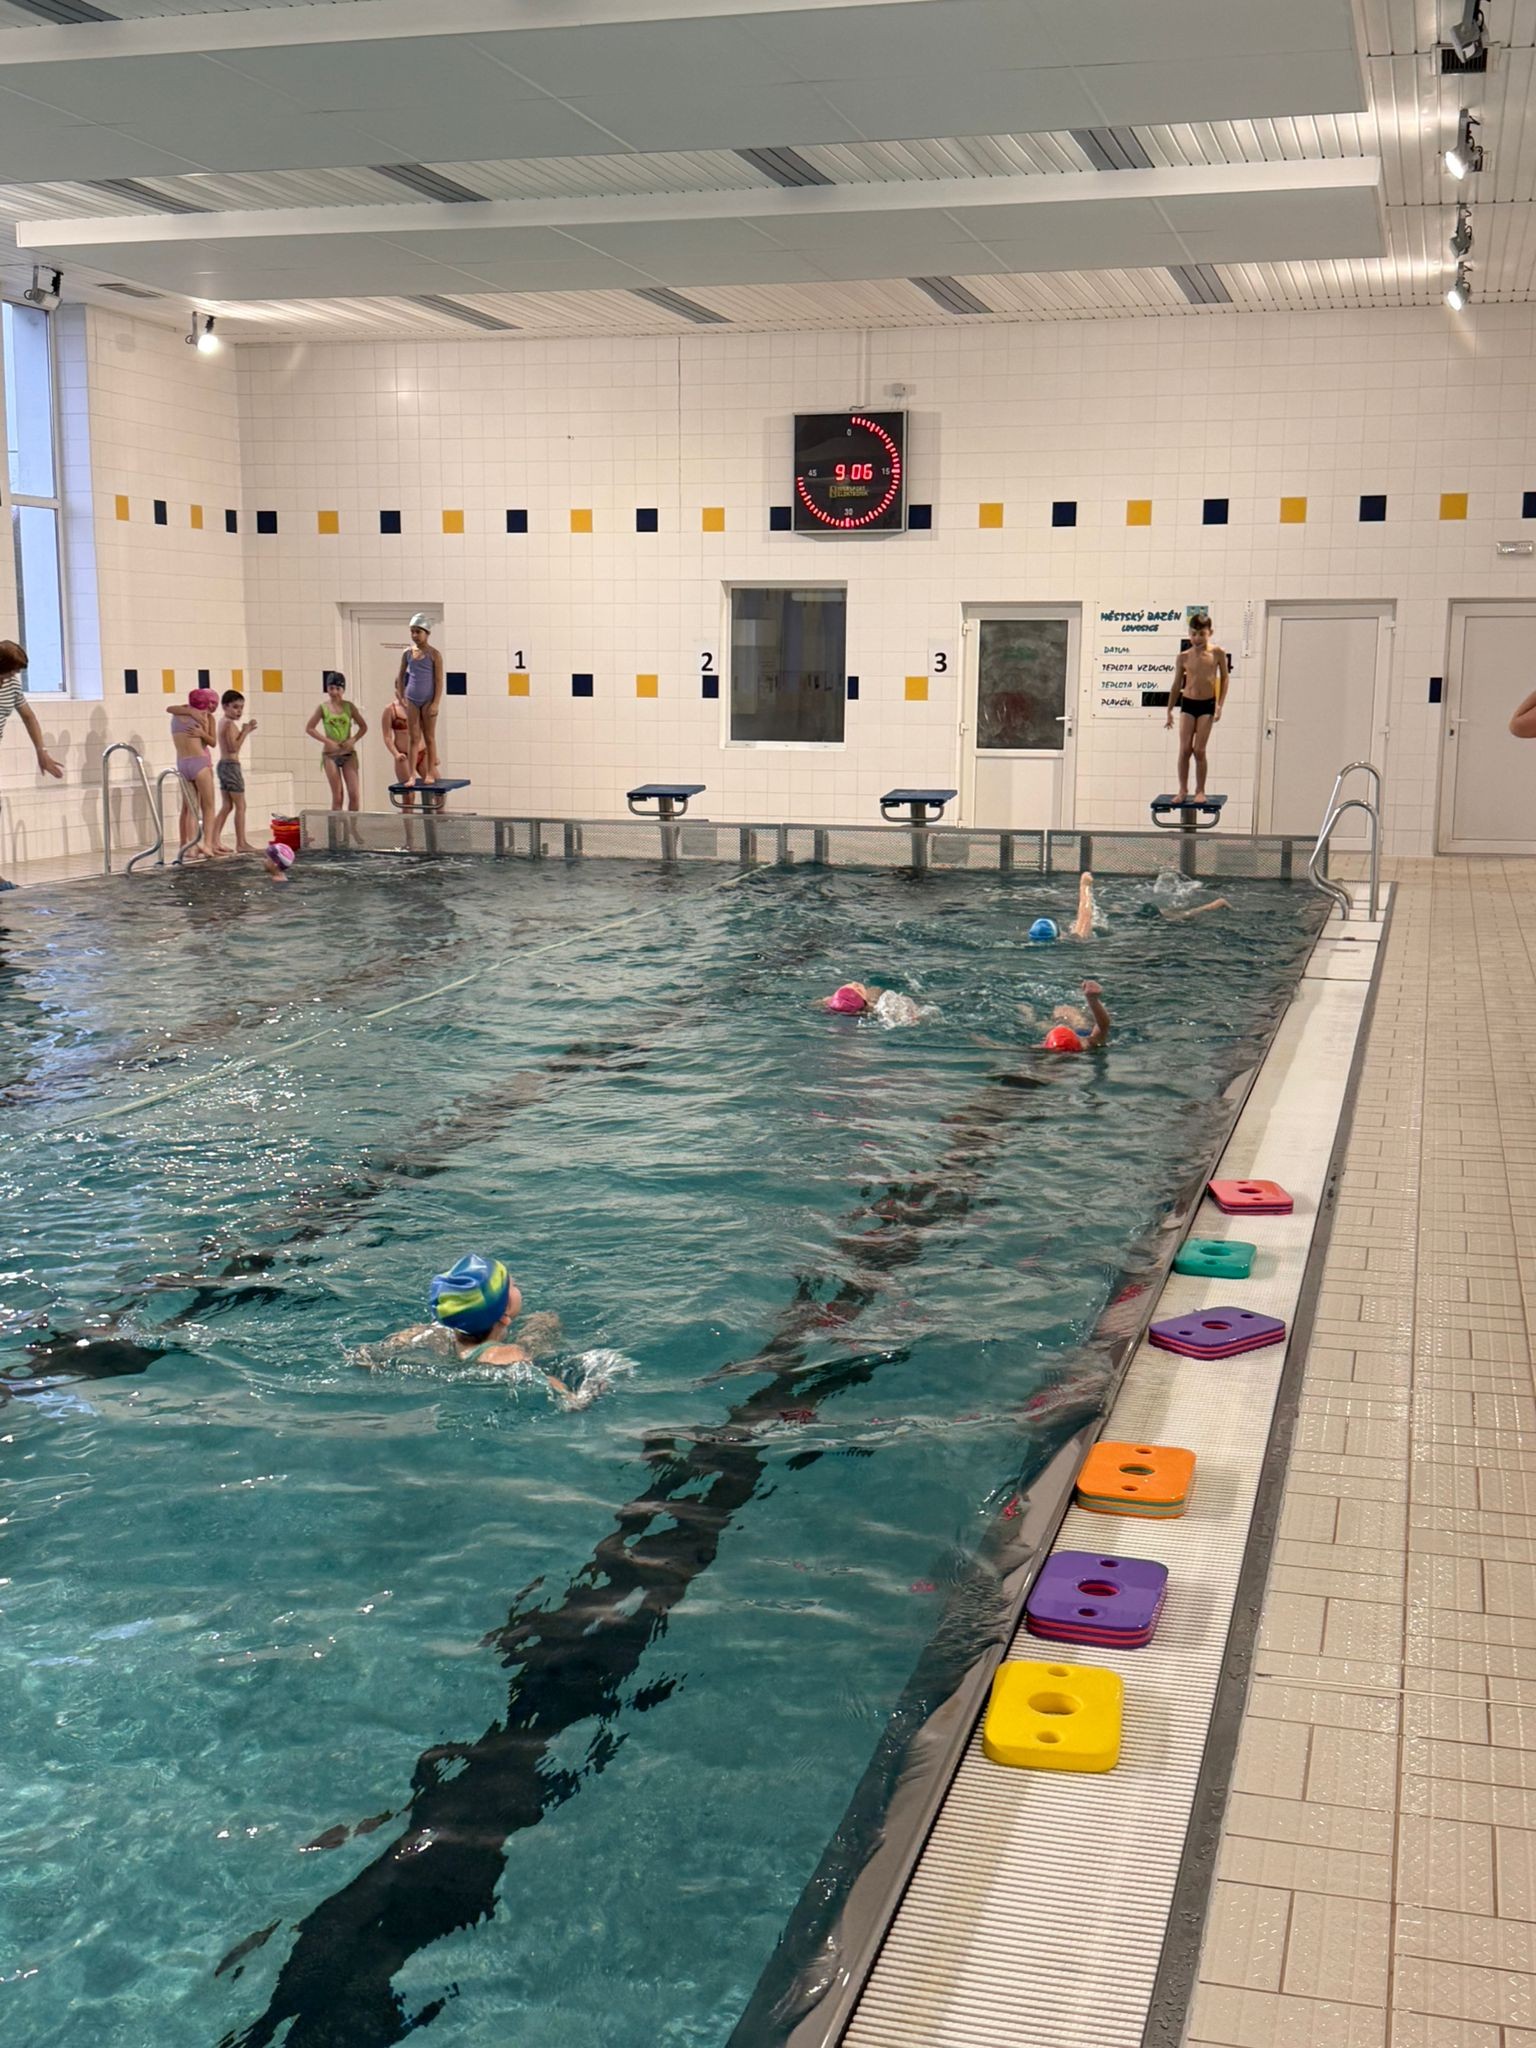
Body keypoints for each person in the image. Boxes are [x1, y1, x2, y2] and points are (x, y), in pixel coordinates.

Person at [371, 1252, 583, 1405]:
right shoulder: (506, 1354)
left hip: (460, 1355)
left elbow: (378, 1352)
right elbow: (543, 1381)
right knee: (546, 1323)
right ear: (504, 1315)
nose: (517, 1286)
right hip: (485, 1369)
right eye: (513, 1286)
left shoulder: (435, 1332)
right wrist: (573, 1398)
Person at [0, 639, 62, 890]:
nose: (13, 676)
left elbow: (28, 717)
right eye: (10, 671)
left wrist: (41, 752)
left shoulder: (12, 684)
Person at [1165, 612, 1230, 800]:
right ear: (1189, 633)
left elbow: (1225, 678)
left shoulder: (1217, 653)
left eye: (1202, 634)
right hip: (1188, 703)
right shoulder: (1183, 657)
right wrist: (1169, 710)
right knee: (1185, 749)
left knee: (1199, 750)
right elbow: (1177, 684)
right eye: (1193, 634)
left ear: (1210, 633)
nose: (1197, 638)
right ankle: (1182, 790)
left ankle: (1200, 790)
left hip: (1207, 705)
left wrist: (1219, 705)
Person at [166, 686, 221, 861]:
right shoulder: (206, 717)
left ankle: (191, 847)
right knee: (209, 806)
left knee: (191, 808)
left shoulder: (177, 715)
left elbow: (170, 708)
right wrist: (202, 733)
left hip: (182, 764)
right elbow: (213, 742)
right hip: (200, 763)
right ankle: (208, 844)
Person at [305, 671, 368, 819]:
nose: (334, 692)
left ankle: (352, 828)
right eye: (331, 688)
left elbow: (363, 727)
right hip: (330, 755)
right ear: (327, 689)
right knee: (338, 795)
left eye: (337, 688)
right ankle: (336, 830)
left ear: (343, 690)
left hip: (348, 754)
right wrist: (328, 741)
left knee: (354, 794)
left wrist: (353, 739)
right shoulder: (323, 708)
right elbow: (310, 728)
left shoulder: (349, 707)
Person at [395, 615, 443, 788]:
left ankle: (430, 772)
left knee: (429, 737)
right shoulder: (407, 653)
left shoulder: (434, 654)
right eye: (412, 632)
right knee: (413, 738)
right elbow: (401, 676)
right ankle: (411, 776)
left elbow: (439, 680)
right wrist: (402, 697)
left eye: (418, 632)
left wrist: (436, 703)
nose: (415, 635)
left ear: (427, 633)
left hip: (428, 700)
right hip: (412, 699)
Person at [211, 689, 257, 854]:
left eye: (241, 707)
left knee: (227, 805)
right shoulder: (229, 724)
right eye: (235, 707)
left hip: (224, 765)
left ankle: (213, 841)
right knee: (241, 805)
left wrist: (245, 730)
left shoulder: (223, 722)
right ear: (225, 707)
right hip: (231, 766)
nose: (239, 711)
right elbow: (233, 748)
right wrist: (245, 731)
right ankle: (241, 843)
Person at [1038, 980, 1111, 1054]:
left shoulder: (1043, 1049)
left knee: (1046, 1023)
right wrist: (1092, 999)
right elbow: (1103, 1024)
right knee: (1072, 1018)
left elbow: (1103, 1025)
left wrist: (1092, 999)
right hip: (1081, 1030)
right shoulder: (1088, 1043)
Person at [382, 690, 427, 810]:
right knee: (408, 796)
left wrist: (433, 755)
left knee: (436, 790)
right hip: (404, 756)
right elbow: (387, 737)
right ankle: (408, 823)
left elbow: (427, 731)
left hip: (422, 752)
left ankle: (436, 821)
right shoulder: (390, 709)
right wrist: (396, 753)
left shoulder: (418, 706)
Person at [821, 981, 925, 1025]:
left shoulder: (826, 1002)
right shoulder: (876, 1005)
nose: (855, 984)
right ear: (864, 1002)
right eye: (859, 990)